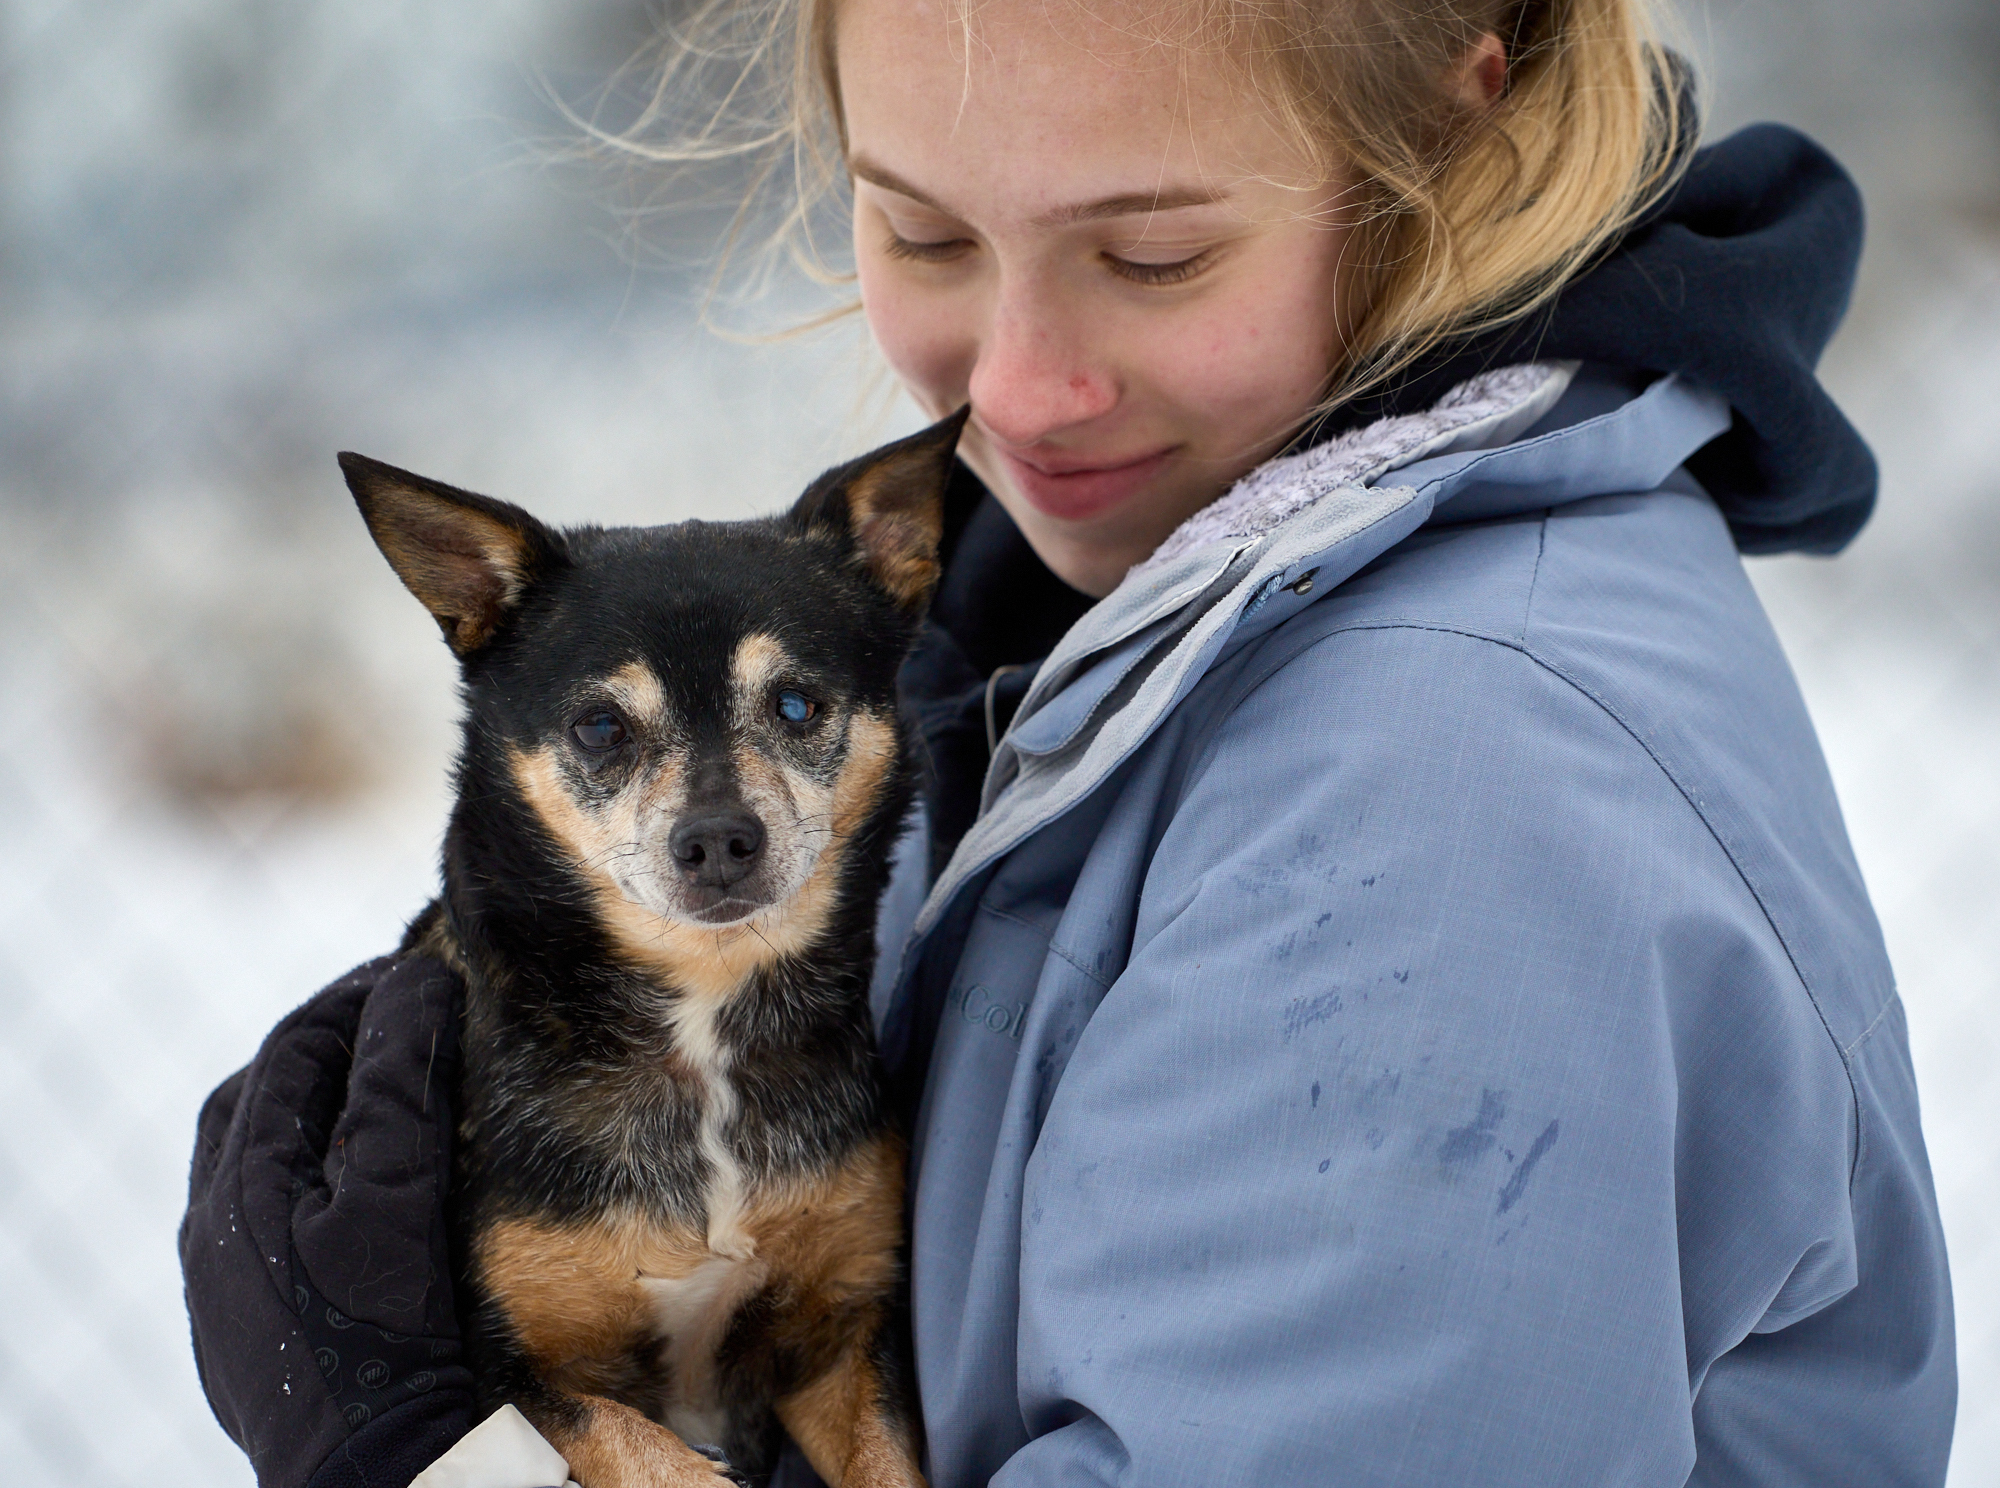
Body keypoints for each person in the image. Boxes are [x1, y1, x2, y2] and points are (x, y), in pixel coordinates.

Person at [181, 0, 1959, 1483]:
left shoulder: (1447, 800)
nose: (1014, 395)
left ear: (1448, 132)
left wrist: (455, 1448)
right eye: (924, 233)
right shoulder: (1126, 642)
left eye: (1152, 252)